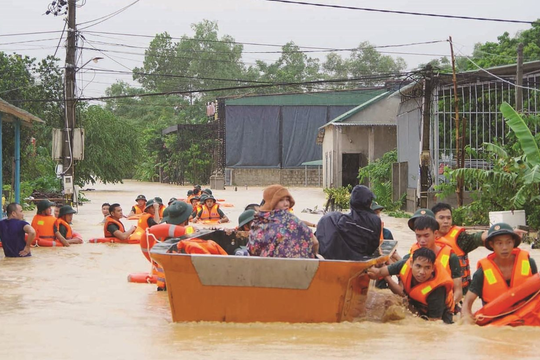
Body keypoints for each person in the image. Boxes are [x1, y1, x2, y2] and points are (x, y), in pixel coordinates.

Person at [461, 223, 538, 324]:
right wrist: (466, 322)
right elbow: (467, 303)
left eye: (508, 242)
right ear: (492, 245)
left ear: (514, 243)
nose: (505, 247)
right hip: (497, 324)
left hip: (528, 321)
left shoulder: (528, 263)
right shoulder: (482, 273)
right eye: (499, 243)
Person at [369, 247, 455, 323]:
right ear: (411, 263)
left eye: (427, 268)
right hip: (417, 305)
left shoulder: (437, 290)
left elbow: (434, 324)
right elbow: (378, 272)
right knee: (390, 303)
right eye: (418, 266)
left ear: (432, 268)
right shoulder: (403, 265)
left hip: (441, 316)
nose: (422, 272)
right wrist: (368, 268)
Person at [431, 202, 489, 295]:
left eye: (449, 218)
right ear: (433, 219)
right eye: (441, 218)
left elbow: (477, 237)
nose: (446, 221)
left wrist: (504, 233)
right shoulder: (427, 237)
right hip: (437, 290)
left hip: (460, 291)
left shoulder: (460, 238)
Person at [248, 184, 318, 258]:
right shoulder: (291, 220)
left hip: (264, 267)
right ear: (272, 202)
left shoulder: (258, 221)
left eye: (287, 200)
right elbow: (315, 242)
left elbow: (252, 249)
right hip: (295, 267)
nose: (286, 204)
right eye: (281, 200)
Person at [316, 185, 381, 260]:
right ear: (368, 202)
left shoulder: (336, 220)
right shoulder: (375, 220)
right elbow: (373, 247)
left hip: (336, 259)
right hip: (362, 260)